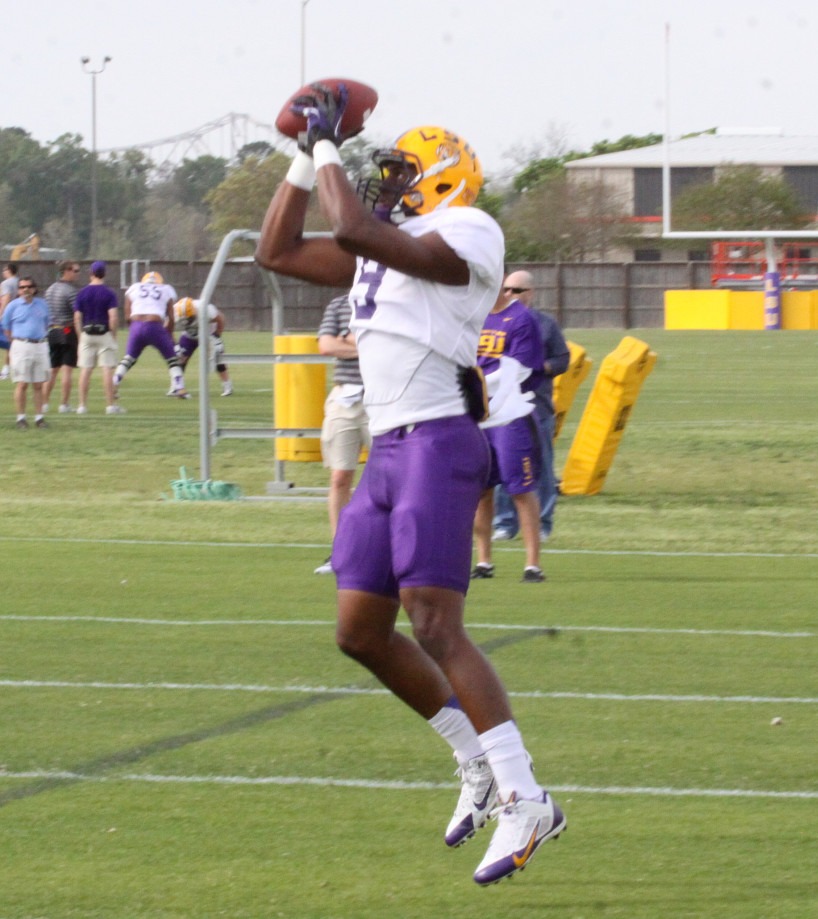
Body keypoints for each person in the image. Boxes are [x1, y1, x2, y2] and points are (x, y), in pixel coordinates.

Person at [254, 88, 564, 886]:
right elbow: (277, 250)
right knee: (359, 630)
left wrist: (329, 146)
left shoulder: (467, 229)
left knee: (433, 620)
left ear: (445, 178)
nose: (387, 179)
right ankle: (473, 759)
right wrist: (302, 150)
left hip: (437, 442)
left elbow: (356, 226)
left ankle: (526, 794)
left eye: (402, 169)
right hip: (389, 451)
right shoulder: (382, 244)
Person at [471, 283, 547, 582]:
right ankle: (484, 561)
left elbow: (520, 368)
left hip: (509, 412)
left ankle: (532, 564)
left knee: (520, 487)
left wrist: (478, 388)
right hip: (478, 414)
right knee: (481, 489)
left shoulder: (520, 319)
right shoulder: (471, 316)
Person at [491, 270, 569, 543]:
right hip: (501, 408)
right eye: (506, 289)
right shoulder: (494, 322)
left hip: (537, 407)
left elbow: (562, 359)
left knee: (543, 467)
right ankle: (505, 523)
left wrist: (536, 369)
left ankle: (543, 524)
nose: (509, 294)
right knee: (502, 467)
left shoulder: (546, 324)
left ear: (530, 293)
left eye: (516, 290)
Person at [313, 293, 370, 575]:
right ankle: (341, 552)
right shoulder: (338, 303)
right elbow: (325, 345)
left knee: (394, 476)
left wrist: (347, 341)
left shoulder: (392, 298)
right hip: (345, 397)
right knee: (339, 477)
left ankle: (389, 549)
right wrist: (364, 347)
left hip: (383, 398)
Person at [113, 271, 188, 398]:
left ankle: (114, 383)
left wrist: (134, 328)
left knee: (129, 358)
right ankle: (180, 388)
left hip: (136, 325)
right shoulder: (166, 289)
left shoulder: (135, 287)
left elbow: (127, 314)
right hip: (154, 325)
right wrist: (170, 335)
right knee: (172, 359)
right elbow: (170, 317)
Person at [73, 261, 124, 415]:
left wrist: (79, 336)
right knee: (107, 369)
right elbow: (113, 317)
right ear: (104, 274)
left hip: (87, 333)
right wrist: (113, 334)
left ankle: (82, 405)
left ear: (91, 273)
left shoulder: (82, 293)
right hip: (104, 333)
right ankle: (110, 405)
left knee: (85, 371)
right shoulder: (109, 293)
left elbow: (77, 317)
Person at [0, 276, 51, 428]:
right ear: (19, 290)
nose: (25, 290)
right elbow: (6, 328)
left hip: (40, 345)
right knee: (22, 383)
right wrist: (17, 341)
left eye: (28, 286)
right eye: (22, 287)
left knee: (38, 384)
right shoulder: (13, 306)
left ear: (34, 288)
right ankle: (21, 418)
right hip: (21, 345)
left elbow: (47, 324)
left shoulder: (42, 304)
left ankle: (39, 418)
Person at [173, 297, 233, 396]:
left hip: (208, 332)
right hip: (190, 334)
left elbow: (220, 319)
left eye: (189, 318)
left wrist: (217, 336)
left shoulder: (205, 309)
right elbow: (168, 328)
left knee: (217, 359)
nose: (187, 320)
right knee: (180, 359)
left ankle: (227, 386)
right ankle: (177, 386)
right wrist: (174, 345)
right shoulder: (175, 311)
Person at [43, 260, 81, 413]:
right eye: (76, 270)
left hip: (52, 331)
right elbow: (76, 313)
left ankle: (44, 403)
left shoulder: (50, 289)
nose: (77, 274)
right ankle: (64, 404)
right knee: (66, 370)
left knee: (52, 370)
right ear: (67, 270)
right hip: (67, 331)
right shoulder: (71, 291)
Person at [0, 262, 19, 381]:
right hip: (17, 316)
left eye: (4, 270)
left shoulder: (6, 283)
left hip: (7, 317)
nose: (3, 272)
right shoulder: (19, 281)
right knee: (11, 344)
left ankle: (6, 370)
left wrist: (1, 314)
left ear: (8, 270)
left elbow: (6, 298)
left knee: (9, 343)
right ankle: (8, 369)